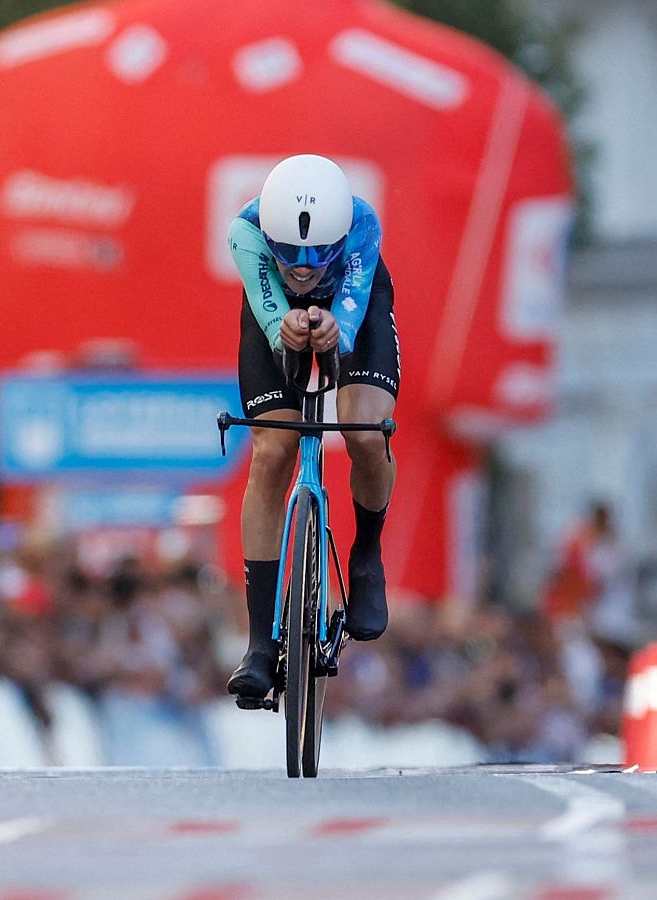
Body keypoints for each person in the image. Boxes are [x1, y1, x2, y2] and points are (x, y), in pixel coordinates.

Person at [223, 154, 400, 699]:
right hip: (275, 313)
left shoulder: (364, 225)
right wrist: (286, 325)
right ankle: (258, 644)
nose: (303, 266)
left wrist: (334, 327)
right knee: (273, 449)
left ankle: (366, 554)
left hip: (355, 308)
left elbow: (347, 311)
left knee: (366, 433)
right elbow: (271, 308)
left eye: (318, 254)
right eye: (289, 255)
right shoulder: (247, 232)